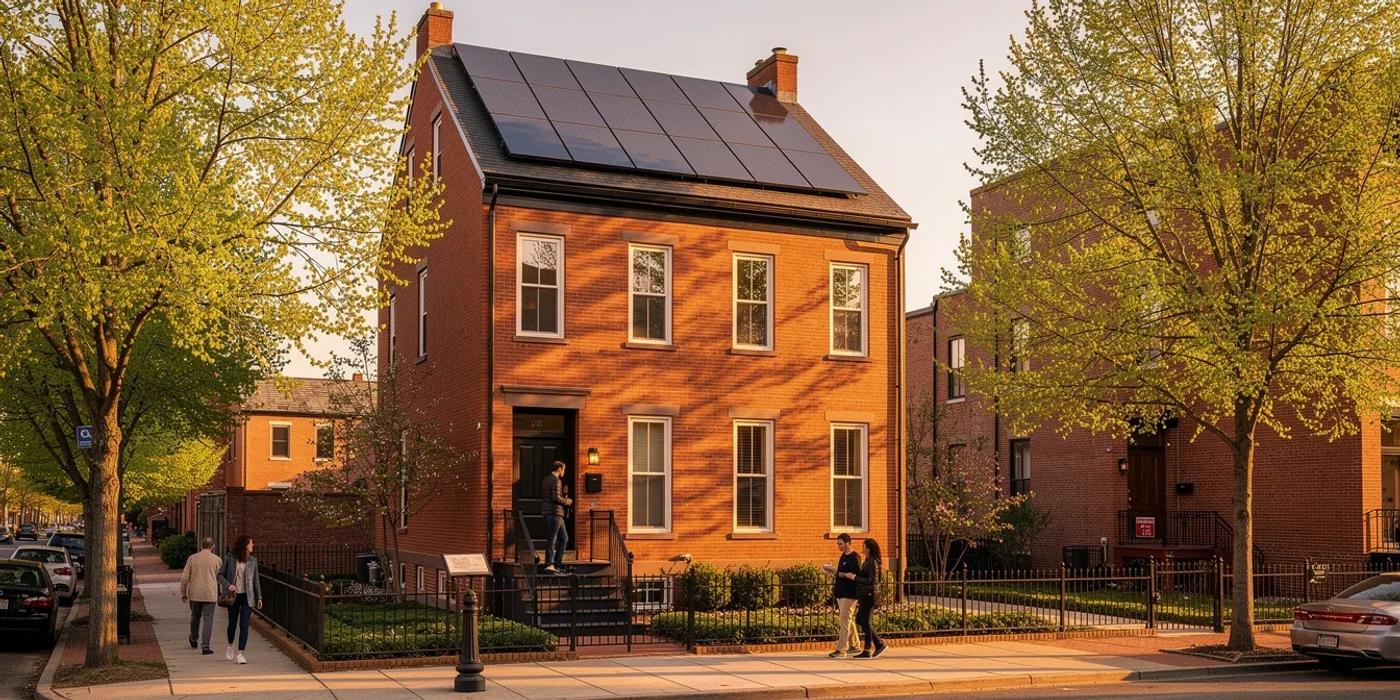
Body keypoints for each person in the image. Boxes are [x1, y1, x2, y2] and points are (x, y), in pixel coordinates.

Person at [838, 538, 887, 658]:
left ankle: (868, 649)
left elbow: (871, 580)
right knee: (860, 620)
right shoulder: (868, 560)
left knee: (866, 621)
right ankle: (878, 644)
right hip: (864, 595)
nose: (862, 548)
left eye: (864, 546)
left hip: (870, 595)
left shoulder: (873, 562)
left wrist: (854, 577)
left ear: (868, 548)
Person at [218, 535, 262, 664]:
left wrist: (259, 597)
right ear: (245, 545)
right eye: (251, 543)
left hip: (247, 597)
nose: (252, 545)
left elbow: (256, 581)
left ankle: (240, 653)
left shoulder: (253, 561)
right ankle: (230, 645)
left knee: (244, 625)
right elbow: (220, 575)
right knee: (232, 624)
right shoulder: (230, 559)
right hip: (233, 596)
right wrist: (228, 585)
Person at [822, 533, 862, 658]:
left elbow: (856, 576)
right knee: (847, 620)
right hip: (840, 591)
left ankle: (841, 650)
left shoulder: (854, 558)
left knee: (844, 622)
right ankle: (855, 646)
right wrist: (833, 572)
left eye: (840, 544)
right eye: (837, 544)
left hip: (849, 594)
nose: (838, 546)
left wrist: (842, 574)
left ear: (848, 543)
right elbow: (841, 573)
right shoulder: (843, 556)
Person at [180, 537, 222, 655]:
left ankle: (193, 638)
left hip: (195, 594)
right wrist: (224, 593)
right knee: (208, 619)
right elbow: (221, 578)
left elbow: (184, 578)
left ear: (201, 546)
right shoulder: (217, 560)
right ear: (213, 546)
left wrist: (183, 593)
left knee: (195, 616)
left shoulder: (192, 559)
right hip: (210, 594)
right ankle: (206, 646)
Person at [540, 460, 572, 574]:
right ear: (559, 469)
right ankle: (549, 564)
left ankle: (557, 563)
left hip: (552, 514)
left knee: (564, 538)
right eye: (563, 469)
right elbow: (556, 498)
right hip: (555, 513)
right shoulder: (556, 481)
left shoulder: (545, 480)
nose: (564, 472)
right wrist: (567, 501)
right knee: (552, 539)